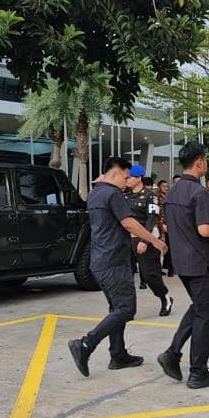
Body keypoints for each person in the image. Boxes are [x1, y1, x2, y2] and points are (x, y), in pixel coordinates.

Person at [68, 157, 168, 378]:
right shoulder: (113, 194)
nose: (127, 180)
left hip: (100, 261)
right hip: (114, 261)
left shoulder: (95, 193)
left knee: (117, 308)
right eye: (126, 176)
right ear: (115, 174)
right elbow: (129, 223)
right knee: (125, 309)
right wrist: (155, 241)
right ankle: (85, 345)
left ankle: (118, 354)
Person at [157, 142, 209, 389]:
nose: (207, 164)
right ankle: (198, 372)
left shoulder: (172, 193)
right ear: (199, 161)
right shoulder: (200, 193)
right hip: (201, 263)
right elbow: (204, 230)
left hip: (181, 262)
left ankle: (172, 353)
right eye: (206, 160)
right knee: (205, 314)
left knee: (199, 307)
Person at [125, 165, 174, 316]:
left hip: (146, 239)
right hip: (128, 239)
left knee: (149, 275)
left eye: (129, 177)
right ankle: (125, 309)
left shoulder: (150, 196)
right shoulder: (125, 195)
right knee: (126, 275)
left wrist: (144, 241)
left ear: (138, 178)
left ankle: (165, 297)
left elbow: (151, 219)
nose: (127, 180)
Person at [157, 179, 173, 277]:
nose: (166, 188)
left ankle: (171, 269)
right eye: (163, 186)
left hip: (169, 225)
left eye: (167, 187)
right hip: (159, 225)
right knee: (159, 248)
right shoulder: (156, 198)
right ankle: (159, 268)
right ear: (159, 187)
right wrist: (161, 224)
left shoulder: (170, 197)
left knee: (170, 248)